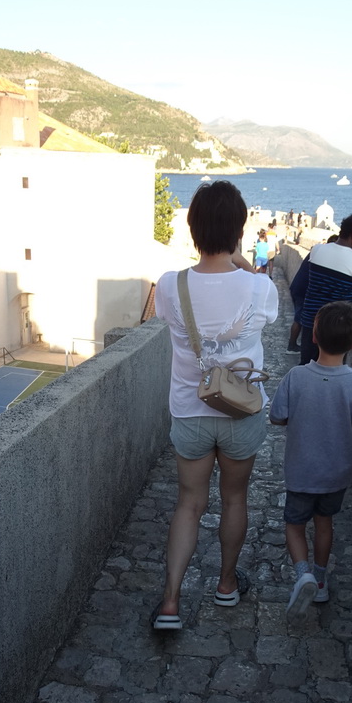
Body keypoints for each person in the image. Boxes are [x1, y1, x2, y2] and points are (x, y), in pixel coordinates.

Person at [152, 181, 279, 630]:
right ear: (239, 230)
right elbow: (269, 316)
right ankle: (226, 584)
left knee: (188, 503)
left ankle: (170, 602)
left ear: (192, 229)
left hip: (190, 410)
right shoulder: (260, 289)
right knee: (234, 499)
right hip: (241, 412)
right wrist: (241, 261)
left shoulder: (170, 285)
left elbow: (164, 318)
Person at [270, 301, 352, 618]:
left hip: (302, 470)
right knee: (324, 523)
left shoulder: (296, 377)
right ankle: (319, 580)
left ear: (313, 336)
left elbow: (277, 417)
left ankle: (301, 571)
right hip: (336, 474)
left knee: (294, 523)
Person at [299, 213, 352, 365]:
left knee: (306, 364)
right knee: (332, 370)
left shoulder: (317, 250)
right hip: (337, 328)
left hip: (311, 321)